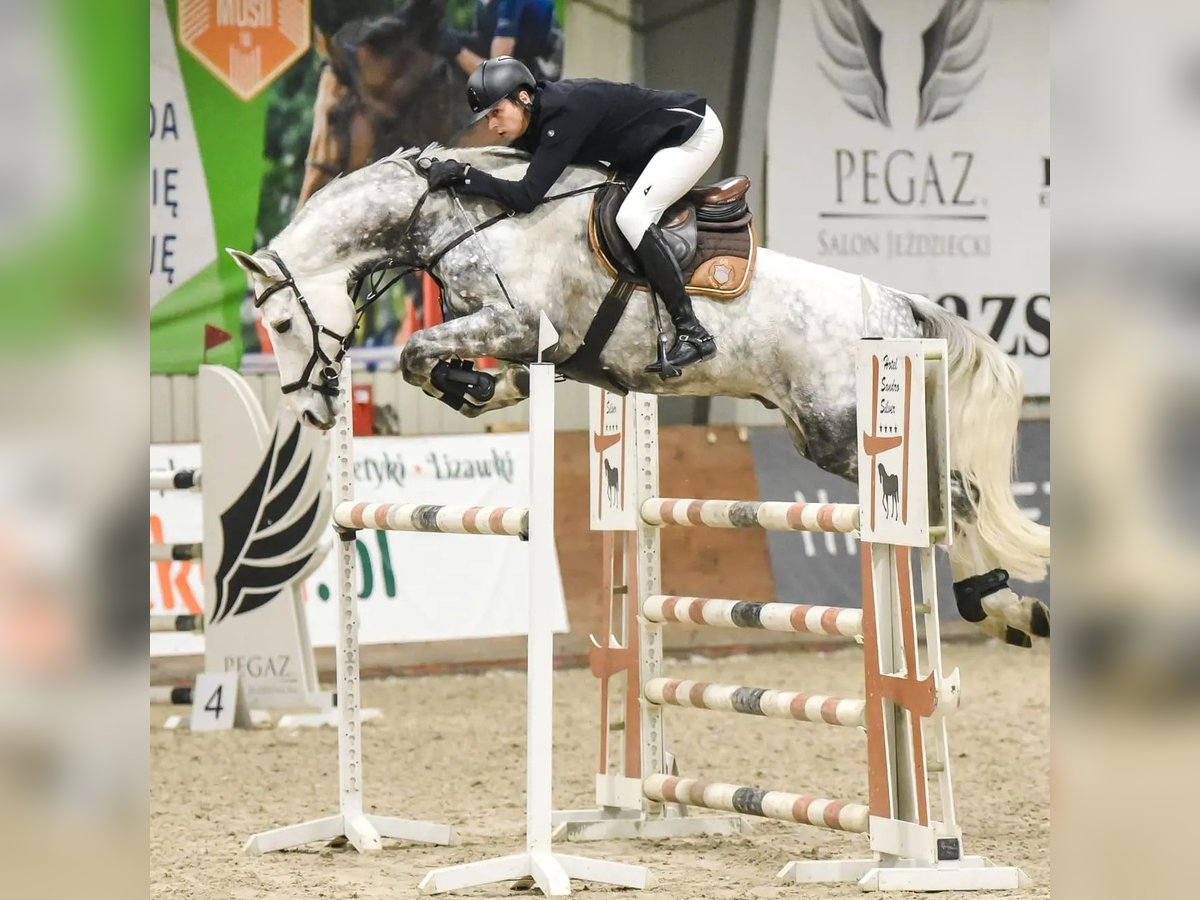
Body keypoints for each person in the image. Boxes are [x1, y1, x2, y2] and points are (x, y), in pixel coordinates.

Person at [426, 57, 722, 375]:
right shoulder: (536, 119)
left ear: (523, 98)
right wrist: (458, 168)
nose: (493, 126)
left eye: (497, 112)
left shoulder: (562, 116)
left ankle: (693, 331)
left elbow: (526, 196)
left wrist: (466, 176)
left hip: (690, 135)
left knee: (633, 217)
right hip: (647, 149)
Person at [440, 0, 560, 81]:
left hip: (538, 71)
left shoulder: (510, 4)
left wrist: (457, 51)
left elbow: (495, 76)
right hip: (509, 56)